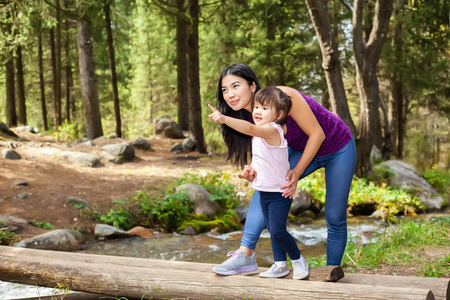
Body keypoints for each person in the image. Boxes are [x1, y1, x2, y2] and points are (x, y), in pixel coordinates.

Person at [211, 63, 356, 276]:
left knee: (334, 216)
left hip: (338, 146)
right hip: (302, 150)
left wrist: (296, 171)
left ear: (252, 86)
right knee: (266, 187)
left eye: (235, 86)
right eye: (225, 90)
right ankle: (246, 255)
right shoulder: (249, 118)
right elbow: (267, 155)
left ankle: (330, 271)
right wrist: (254, 170)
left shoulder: (283, 96)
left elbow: (317, 134)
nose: (230, 94)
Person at [208, 87, 310, 279]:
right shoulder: (260, 135)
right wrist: (251, 170)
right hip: (264, 191)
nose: (257, 111)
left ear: (279, 114)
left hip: (279, 192)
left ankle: (298, 260)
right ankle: (280, 265)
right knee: (273, 231)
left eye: (264, 108)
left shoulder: (272, 130)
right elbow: (263, 159)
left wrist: (224, 118)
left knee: (278, 231)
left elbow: (249, 128)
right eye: (256, 106)